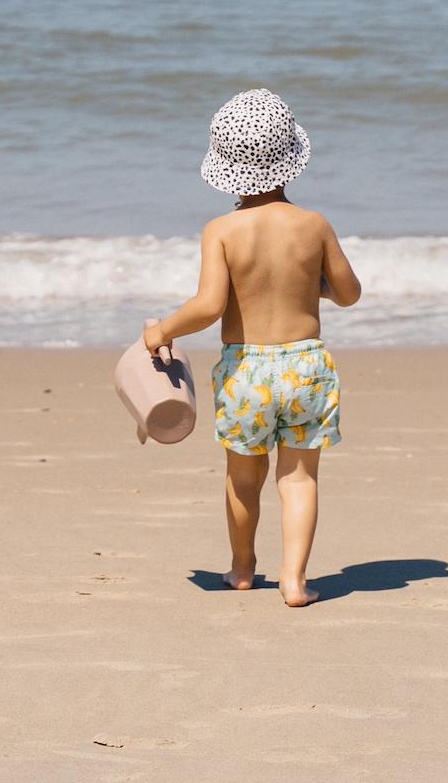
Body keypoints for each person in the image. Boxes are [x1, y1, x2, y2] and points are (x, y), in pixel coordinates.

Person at [144, 89, 362, 608]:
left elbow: (208, 305)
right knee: (299, 478)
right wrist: (309, 286)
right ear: (291, 157)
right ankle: (294, 581)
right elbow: (349, 293)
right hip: (306, 367)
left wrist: (163, 331)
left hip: (247, 373)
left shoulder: (222, 230)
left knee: (243, 479)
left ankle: (242, 570)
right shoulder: (314, 225)